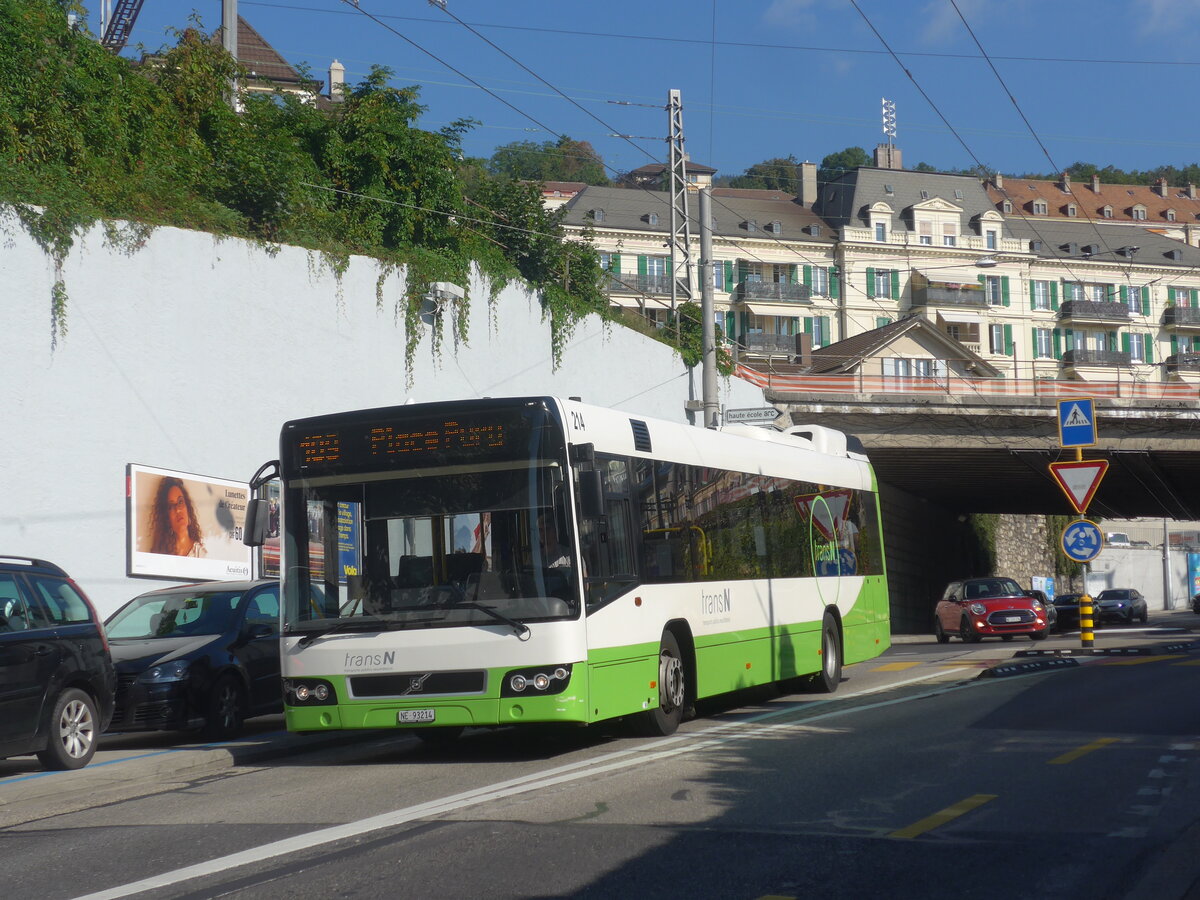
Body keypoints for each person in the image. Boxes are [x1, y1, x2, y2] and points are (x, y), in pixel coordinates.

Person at [148, 477, 207, 557]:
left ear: (188, 509)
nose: (177, 510)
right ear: (167, 518)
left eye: (180, 502)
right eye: (171, 506)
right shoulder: (160, 554)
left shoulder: (201, 553)